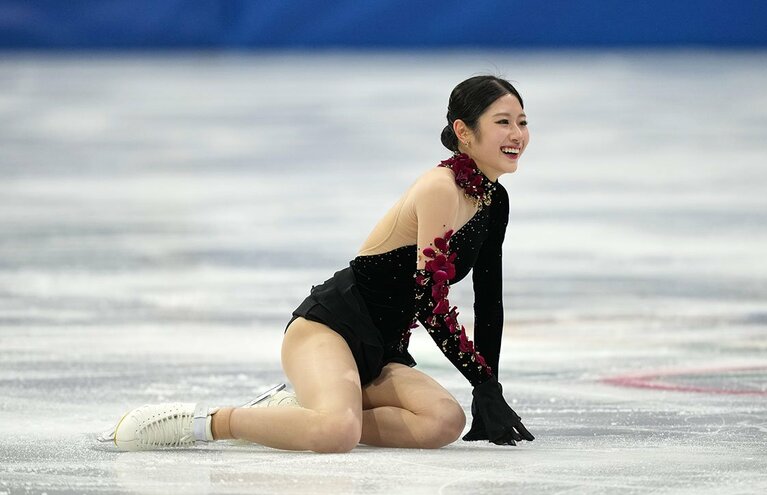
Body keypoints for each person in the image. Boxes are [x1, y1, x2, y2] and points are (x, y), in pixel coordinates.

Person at [105, 75, 534, 453]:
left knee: (444, 422)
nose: (516, 133)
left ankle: (292, 414)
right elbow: (429, 300)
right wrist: (479, 378)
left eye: (522, 121)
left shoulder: (494, 200)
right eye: (502, 122)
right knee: (336, 432)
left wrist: (489, 387)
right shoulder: (439, 188)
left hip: (382, 350)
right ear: (464, 131)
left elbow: (488, 300)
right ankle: (203, 422)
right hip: (329, 330)